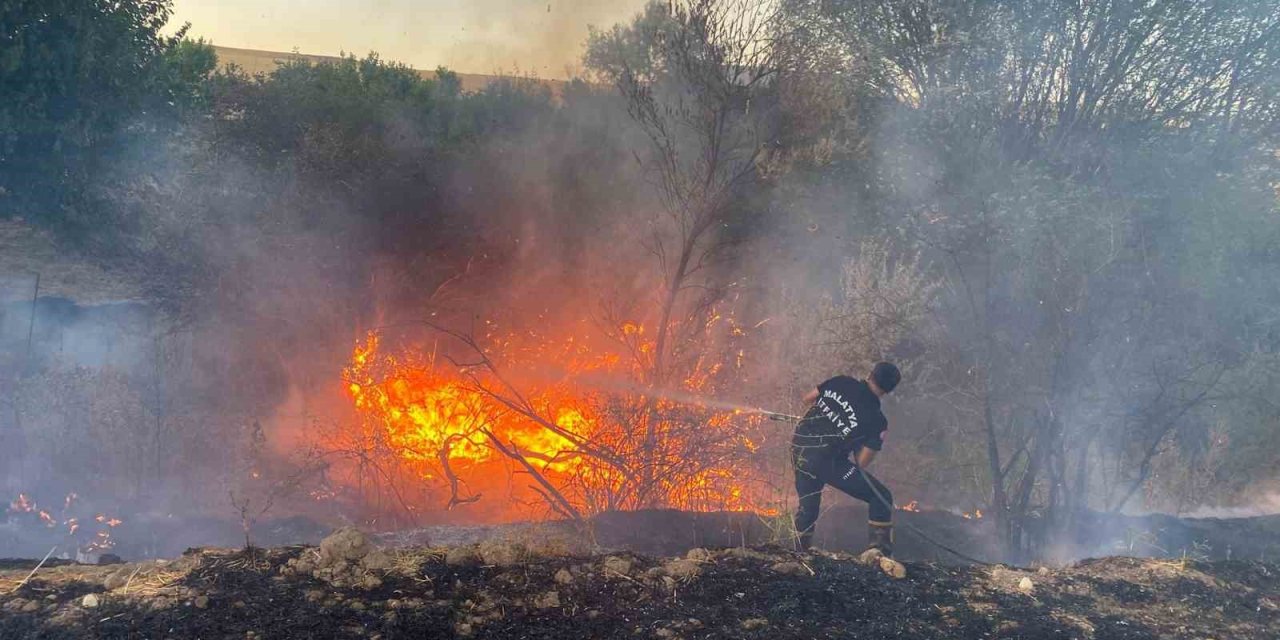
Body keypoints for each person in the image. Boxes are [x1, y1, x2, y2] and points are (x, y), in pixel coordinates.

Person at [791, 362, 901, 555]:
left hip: (799, 447)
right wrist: (859, 441)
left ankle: (798, 554)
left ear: (870, 374)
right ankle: (879, 555)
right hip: (826, 461)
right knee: (881, 497)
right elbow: (862, 462)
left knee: (808, 504)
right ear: (888, 391)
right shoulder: (877, 420)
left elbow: (807, 398)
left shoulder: (841, 381)